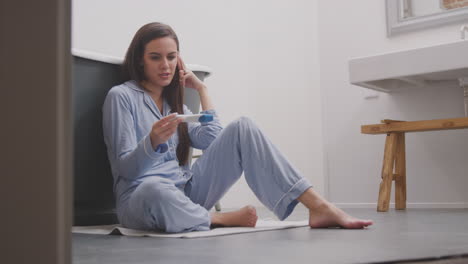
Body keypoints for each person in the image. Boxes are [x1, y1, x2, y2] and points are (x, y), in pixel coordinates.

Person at [102, 22, 373, 233]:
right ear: (140, 60)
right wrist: (151, 142)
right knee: (154, 189)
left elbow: (214, 140)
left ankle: (318, 206)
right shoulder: (121, 97)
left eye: (172, 57)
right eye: (155, 57)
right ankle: (219, 218)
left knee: (243, 126)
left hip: (186, 193)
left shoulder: (174, 105)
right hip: (141, 199)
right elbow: (124, 169)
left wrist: (202, 89)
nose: (166, 65)